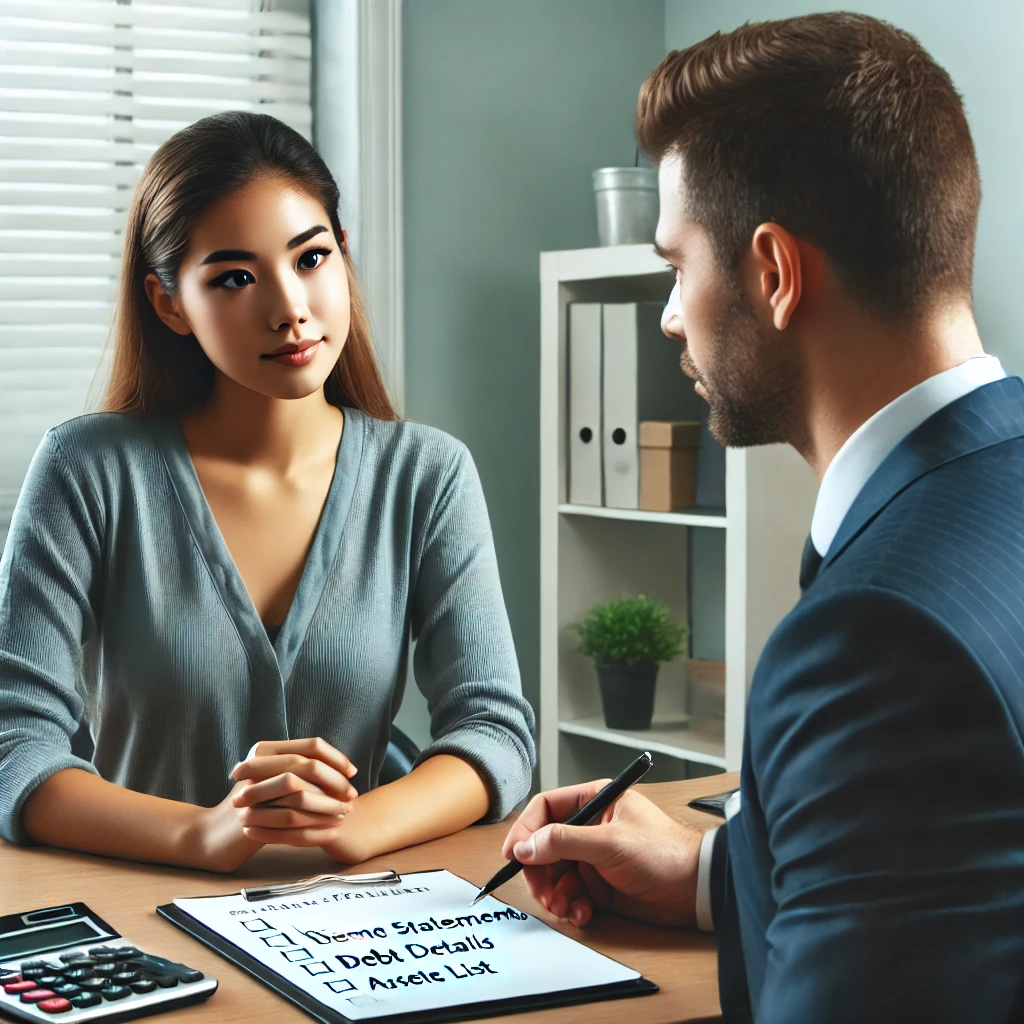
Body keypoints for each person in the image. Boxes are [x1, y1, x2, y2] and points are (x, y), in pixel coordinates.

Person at [502, 14, 1024, 1023]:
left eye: (674, 266)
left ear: (774, 273)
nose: (667, 315)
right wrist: (711, 873)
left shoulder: (875, 638)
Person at [0, 111, 535, 873]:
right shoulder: (86, 469)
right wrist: (199, 835)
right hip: (148, 912)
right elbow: (16, 746)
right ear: (168, 303)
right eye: (235, 277)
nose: (289, 308)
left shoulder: (428, 475)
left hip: (366, 925)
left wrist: (359, 824)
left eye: (311, 258)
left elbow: (495, 731)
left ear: (343, 257)